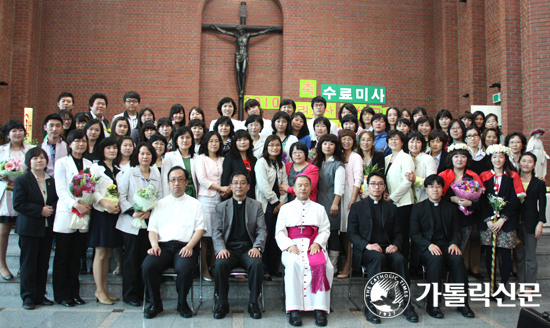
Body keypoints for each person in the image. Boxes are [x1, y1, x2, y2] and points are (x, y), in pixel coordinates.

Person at [347, 172, 418, 324]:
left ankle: (406, 303)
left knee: (400, 259)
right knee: (377, 258)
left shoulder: (391, 208)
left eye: (380, 184)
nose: (376, 187)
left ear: (384, 187)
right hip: (367, 250)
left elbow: (399, 233)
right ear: (368, 186)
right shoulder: (357, 207)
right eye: (373, 184)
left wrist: (395, 245)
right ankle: (371, 305)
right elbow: (352, 234)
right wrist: (367, 245)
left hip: (388, 248)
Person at [142, 166, 204, 319]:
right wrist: (154, 245)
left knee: (184, 268)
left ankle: (182, 303)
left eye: (180, 180)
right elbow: (152, 229)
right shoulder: (158, 204)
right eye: (173, 180)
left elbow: (200, 229)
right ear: (168, 183)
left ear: (186, 182)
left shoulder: (195, 204)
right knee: (148, 266)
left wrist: (190, 246)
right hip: (162, 246)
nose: (176, 183)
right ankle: (156, 303)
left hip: (185, 246)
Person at [410, 174, 475, 319]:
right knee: (436, 259)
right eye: (431, 186)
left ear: (442, 189)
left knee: (458, 259)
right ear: (426, 189)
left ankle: (462, 303)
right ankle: (432, 305)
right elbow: (414, 234)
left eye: (438, 186)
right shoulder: (418, 208)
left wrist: (454, 243)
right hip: (426, 248)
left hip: (446, 246)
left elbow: (457, 230)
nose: (435, 189)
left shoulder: (450, 208)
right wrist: (428, 245)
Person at [275, 175, 332, 327]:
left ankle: (320, 309)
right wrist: (287, 245)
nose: (303, 188)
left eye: (306, 185)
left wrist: (318, 243)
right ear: (293, 188)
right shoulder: (285, 208)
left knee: (324, 265)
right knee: (293, 264)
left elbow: (325, 229)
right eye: (300, 185)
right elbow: (279, 232)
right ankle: (294, 309)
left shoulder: (319, 208)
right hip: (292, 246)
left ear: (310, 187)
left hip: (313, 245)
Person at [212, 172, 267, 319]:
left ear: (248, 186)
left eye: (243, 182)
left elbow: (262, 230)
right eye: (235, 182)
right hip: (228, 249)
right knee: (219, 265)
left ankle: (253, 303)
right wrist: (221, 248)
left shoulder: (256, 206)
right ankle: (222, 303)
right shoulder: (221, 207)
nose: (239, 186)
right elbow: (216, 231)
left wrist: (257, 247)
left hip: (249, 249)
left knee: (257, 264)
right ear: (230, 186)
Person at [115, 142, 163, 307]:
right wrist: (132, 212)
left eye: (148, 154)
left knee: (145, 259)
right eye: (142, 153)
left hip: (149, 223)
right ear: (137, 155)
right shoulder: (129, 172)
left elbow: (160, 196)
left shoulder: (156, 173)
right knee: (131, 260)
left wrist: (150, 212)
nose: (145, 157)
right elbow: (121, 195)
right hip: (131, 223)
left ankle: (145, 292)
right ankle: (130, 294)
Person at [13, 147, 58, 310]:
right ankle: (28, 297)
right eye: (35, 158)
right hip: (29, 229)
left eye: (42, 158)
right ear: (29, 161)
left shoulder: (50, 180)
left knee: (43, 263)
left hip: (46, 229)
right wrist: (40, 210)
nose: (39, 161)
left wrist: (51, 208)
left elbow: (55, 200)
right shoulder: (22, 180)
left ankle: (40, 295)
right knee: (28, 264)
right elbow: (18, 204)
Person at [52, 129, 92, 306]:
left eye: (83, 141)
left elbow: (92, 188)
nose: (81, 144)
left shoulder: (89, 163)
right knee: (62, 257)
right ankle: (61, 294)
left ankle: (75, 293)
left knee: (76, 256)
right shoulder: (61, 163)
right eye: (77, 141)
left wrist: (87, 204)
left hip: (83, 215)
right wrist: (76, 205)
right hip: (67, 213)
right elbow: (60, 190)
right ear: (69, 144)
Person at [479, 144, 523, 301]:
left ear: (506, 158)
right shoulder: (484, 175)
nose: (497, 160)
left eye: (501, 157)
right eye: (494, 157)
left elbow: (514, 201)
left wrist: (503, 219)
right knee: (490, 255)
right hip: (489, 223)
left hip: (507, 222)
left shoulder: (512, 176)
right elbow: (482, 201)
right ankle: (492, 287)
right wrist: (489, 220)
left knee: (505, 256)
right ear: (490, 159)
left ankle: (503, 287)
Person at [439, 144, 485, 281]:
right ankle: (458, 270)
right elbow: (437, 195)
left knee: (473, 242)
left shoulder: (473, 175)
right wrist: (452, 198)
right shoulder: (444, 175)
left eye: (463, 156)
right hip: (450, 215)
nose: (459, 159)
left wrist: (470, 203)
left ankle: (474, 269)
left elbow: (481, 198)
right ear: (451, 159)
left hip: (470, 215)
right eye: (456, 156)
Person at [88, 138, 122, 305]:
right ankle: (99, 290)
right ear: (102, 150)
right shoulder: (96, 167)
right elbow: (90, 189)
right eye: (108, 147)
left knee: (108, 254)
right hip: (101, 214)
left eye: (114, 148)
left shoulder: (117, 169)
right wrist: (105, 204)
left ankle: (105, 289)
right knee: (100, 254)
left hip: (114, 214)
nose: (112, 150)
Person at [0, 120, 33, 280]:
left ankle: (23, 265)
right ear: (8, 134)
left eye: (20, 130)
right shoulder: (1, 151)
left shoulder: (30, 150)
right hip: (6, 193)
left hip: (25, 194)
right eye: (14, 130)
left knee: (24, 232)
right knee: (4, 231)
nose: (18, 133)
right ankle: (2, 265)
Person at [195, 131, 229, 281]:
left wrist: (226, 191)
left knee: (218, 235)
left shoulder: (223, 159)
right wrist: (221, 188)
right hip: (205, 200)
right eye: (211, 141)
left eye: (216, 141)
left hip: (221, 201)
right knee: (205, 236)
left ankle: (214, 266)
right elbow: (202, 179)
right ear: (206, 143)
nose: (214, 144)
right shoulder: (200, 158)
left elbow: (225, 177)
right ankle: (203, 269)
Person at [255, 135, 288, 280]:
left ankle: (274, 268)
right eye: (271, 145)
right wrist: (275, 202)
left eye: (277, 145)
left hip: (279, 205)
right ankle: (264, 268)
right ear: (266, 147)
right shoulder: (261, 162)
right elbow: (263, 186)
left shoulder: (281, 164)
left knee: (277, 237)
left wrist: (281, 202)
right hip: (266, 204)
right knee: (266, 237)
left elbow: (285, 186)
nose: (275, 148)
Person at [516, 152, 546, 292]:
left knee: (530, 256)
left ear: (534, 165)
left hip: (532, 222)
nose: (526, 164)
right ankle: (521, 285)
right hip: (515, 223)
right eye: (524, 161)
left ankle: (530, 286)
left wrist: (541, 222)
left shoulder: (539, 182)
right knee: (519, 256)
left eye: (529, 161)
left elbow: (542, 204)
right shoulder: (513, 180)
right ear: (519, 162)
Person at [314, 134, 345, 267]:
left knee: (332, 232)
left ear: (336, 147)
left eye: (331, 144)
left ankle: (333, 264)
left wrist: (335, 203)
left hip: (332, 201)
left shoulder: (338, 165)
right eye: (325, 143)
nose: (327, 146)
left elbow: (340, 186)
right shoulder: (318, 163)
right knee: (320, 231)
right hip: (318, 200)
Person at [336, 130, 363, 278]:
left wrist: (353, 199)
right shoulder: (338, 156)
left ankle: (349, 266)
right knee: (342, 232)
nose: (346, 142)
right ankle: (350, 263)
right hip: (339, 195)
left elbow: (358, 179)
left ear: (354, 141)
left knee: (350, 231)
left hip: (350, 196)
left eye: (349, 139)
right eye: (343, 139)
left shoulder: (356, 157)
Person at [384, 130, 415, 260]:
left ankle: (403, 264)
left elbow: (407, 181)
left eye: (396, 139)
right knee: (391, 235)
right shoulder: (386, 158)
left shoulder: (406, 157)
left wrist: (392, 197)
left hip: (403, 203)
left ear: (402, 142)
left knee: (402, 234)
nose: (393, 141)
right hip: (389, 203)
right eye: (391, 139)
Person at [161, 127, 198, 199]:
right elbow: (165, 180)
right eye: (182, 137)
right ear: (176, 141)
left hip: (193, 194)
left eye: (188, 137)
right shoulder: (169, 156)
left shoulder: (196, 157)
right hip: (176, 194)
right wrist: (166, 198)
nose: (185, 140)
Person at [221, 130, 256, 200]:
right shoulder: (230, 158)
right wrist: (225, 191)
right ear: (235, 143)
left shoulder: (253, 159)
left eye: (245, 139)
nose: (242, 142)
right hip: (235, 197)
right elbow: (225, 179)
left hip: (251, 196)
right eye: (239, 140)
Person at [406, 131, 437, 203]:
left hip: (423, 198)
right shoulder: (404, 158)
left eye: (418, 142)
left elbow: (432, 182)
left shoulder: (428, 159)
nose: (414, 145)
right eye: (412, 142)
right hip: (407, 200)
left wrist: (415, 179)